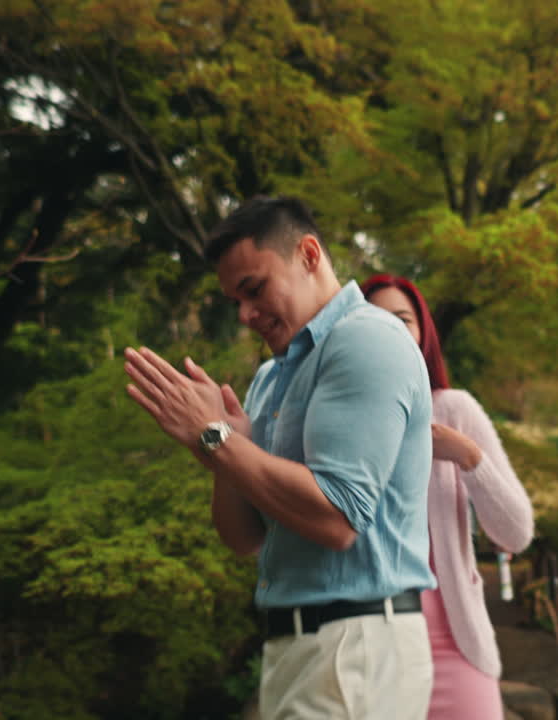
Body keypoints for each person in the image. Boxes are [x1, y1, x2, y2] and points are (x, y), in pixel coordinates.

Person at [122, 197, 435, 720]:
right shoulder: (272, 376)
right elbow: (244, 539)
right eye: (235, 301)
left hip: (354, 645)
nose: (245, 315)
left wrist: (215, 436)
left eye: (254, 289)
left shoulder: (365, 341)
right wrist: (223, 449)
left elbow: (336, 519)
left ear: (309, 254)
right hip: (300, 647)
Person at [362, 274, 535, 720]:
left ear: (423, 334)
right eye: (376, 321)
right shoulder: (341, 420)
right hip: (371, 656)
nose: (393, 331)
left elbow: (516, 533)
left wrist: (467, 455)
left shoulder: (454, 408)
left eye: (404, 319)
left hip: (453, 647)